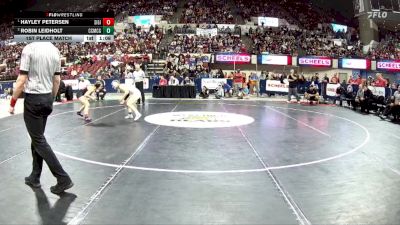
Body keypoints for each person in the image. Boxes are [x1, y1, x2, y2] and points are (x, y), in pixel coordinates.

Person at [8, 42, 73, 194]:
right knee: (37, 138)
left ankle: (63, 178)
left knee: (38, 140)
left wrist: (12, 103)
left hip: (33, 100)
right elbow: (56, 81)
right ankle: (35, 176)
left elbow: (21, 80)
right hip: (46, 98)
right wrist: (50, 99)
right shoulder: (55, 50)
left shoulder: (29, 49)